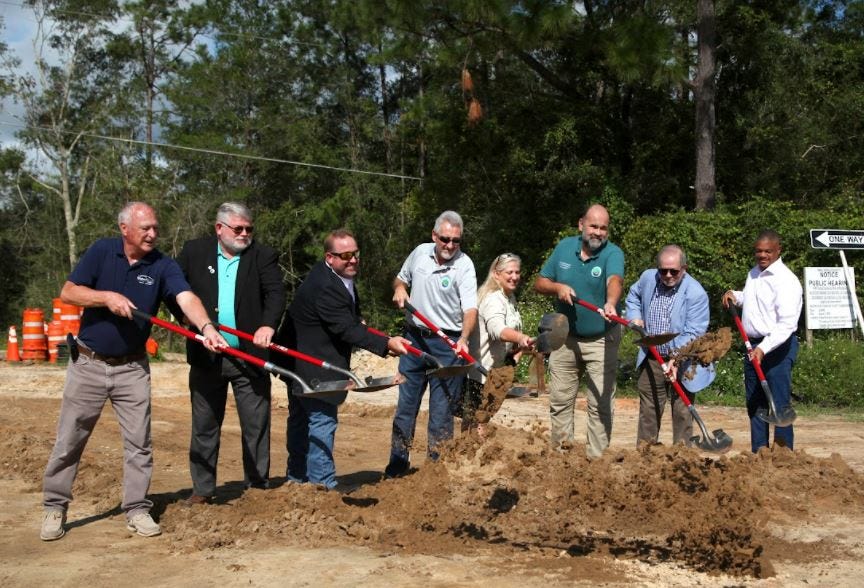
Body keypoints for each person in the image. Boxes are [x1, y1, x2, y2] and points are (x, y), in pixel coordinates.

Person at [40, 202, 227, 542]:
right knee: (70, 438)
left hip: (132, 368)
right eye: (146, 229)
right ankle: (55, 506)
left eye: (156, 228)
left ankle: (137, 508)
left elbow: (185, 298)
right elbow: (69, 292)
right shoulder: (101, 251)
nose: (153, 234)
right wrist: (106, 297)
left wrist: (207, 327)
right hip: (88, 364)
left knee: (139, 443)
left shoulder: (162, 265)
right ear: (125, 229)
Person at [276, 229, 409, 490]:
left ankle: (297, 480)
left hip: (304, 361)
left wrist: (357, 320)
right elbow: (344, 329)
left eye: (355, 253)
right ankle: (322, 486)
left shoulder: (336, 277)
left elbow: (345, 318)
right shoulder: (326, 285)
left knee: (302, 421)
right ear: (329, 257)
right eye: (345, 255)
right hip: (313, 364)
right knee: (321, 422)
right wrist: (386, 343)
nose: (353, 259)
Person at [176, 202, 285, 504]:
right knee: (205, 425)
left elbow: (276, 293)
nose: (245, 234)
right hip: (206, 357)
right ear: (219, 228)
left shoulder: (262, 256)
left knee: (256, 426)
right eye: (238, 228)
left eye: (249, 228)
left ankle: (257, 487)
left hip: (248, 357)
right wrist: (182, 316)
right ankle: (202, 489)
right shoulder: (194, 252)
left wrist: (267, 325)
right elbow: (173, 286)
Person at [385, 211, 477, 478]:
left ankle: (436, 473)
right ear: (434, 235)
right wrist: (400, 288)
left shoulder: (465, 265)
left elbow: (470, 309)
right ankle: (397, 465)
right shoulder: (419, 253)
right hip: (414, 339)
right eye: (445, 239)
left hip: (447, 345)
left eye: (456, 241)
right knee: (406, 408)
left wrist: (463, 339)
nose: (450, 246)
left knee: (442, 413)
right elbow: (401, 279)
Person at [534, 204, 624, 459]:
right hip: (565, 338)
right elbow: (539, 283)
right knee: (561, 400)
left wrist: (611, 303)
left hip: (601, 338)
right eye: (594, 226)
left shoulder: (613, 253)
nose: (598, 232)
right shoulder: (564, 247)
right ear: (581, 224)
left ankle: (597, 462)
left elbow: (615, 280)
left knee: (600, 403)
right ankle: (564, 459)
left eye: (603, 228)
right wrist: (558, 287)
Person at [625, 245, 715, 446]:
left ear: (684, 268)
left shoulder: (696, 293)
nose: (667, 275)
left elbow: (694, 333)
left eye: (673, 271)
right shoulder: (648, 278)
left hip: (683, 360)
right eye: (662, 270)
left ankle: (681, 455)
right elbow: (633, 297)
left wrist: (675, 359)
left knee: (682, 408)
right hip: (652, 356)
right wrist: (635, 317)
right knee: (649, 408)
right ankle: (645, 454)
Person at [722, 230, 802, 452]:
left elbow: (786, 324)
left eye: (768, 251)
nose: (762, 255)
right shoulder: (754, 274)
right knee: (756, 402)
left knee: (778, 403)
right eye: (759, 251)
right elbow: (752, 299)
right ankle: (760, 452)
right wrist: (735, 296)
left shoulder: (787, 281)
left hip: (777, 347)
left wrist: (764, 348)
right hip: (752, 346)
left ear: (778, 251)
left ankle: (783, 454)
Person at [463, 253, 534, 434]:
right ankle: (466, 458)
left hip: (496, 372)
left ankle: (472, 457)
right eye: (509, 272)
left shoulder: (509, 298)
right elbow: (497, 330)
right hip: (481, 373)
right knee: (476, 422)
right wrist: (519, 337)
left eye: (517, 272)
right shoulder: (493, 299)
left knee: (482, 420)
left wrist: (518, 350)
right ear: (496, 274)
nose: (514, 277)